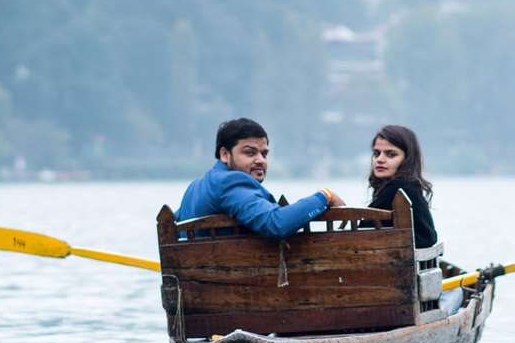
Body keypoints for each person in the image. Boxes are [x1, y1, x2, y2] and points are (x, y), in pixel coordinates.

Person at [176, 117, 343, 238]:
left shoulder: (196, 186)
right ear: (225, 154)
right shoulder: (231, 183)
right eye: (250, 152)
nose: (260, 160)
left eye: (264, 153)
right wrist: (324, 196)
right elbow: (276, 224)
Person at [365, 124, 464, 313]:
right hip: (392, 281)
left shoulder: (400, 188)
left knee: (453, 290)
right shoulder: (398, 188)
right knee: (456, 291)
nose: (380, 159)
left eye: (390, 154)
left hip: (401, 279)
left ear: (407, 159)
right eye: (376, 153)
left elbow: (427, 237)